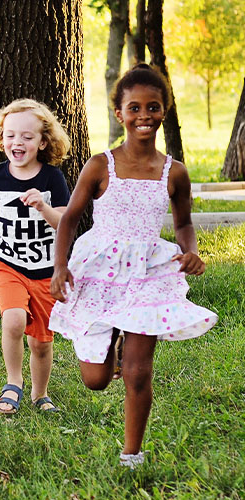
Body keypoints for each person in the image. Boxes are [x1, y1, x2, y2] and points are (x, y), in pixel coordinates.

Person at [49, 64, 218, 468]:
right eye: (135, 107)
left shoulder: (173, 172)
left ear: (165, 111)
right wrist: (60, 267)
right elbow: (70, 217)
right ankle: (113, 340)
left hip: (149, 272)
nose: (145, 115)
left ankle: (132, 454)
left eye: (154, 107)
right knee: (96, 380)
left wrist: (189, 249)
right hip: (100, 268)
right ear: (120, 113)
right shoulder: (100, 165)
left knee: (139, 372)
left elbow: (183, 222)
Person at [0, 98, 72, 415]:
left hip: (45, 270)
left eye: (27, 137)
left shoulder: (51, 178)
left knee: (41, 343)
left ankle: (40, 394)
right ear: (2, 138)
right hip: (8, 264)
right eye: (11, 135)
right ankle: (13, 383)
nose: (18, 142)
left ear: (43, 142)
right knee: (12, 319)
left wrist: (42, 206)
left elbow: (65, 221)